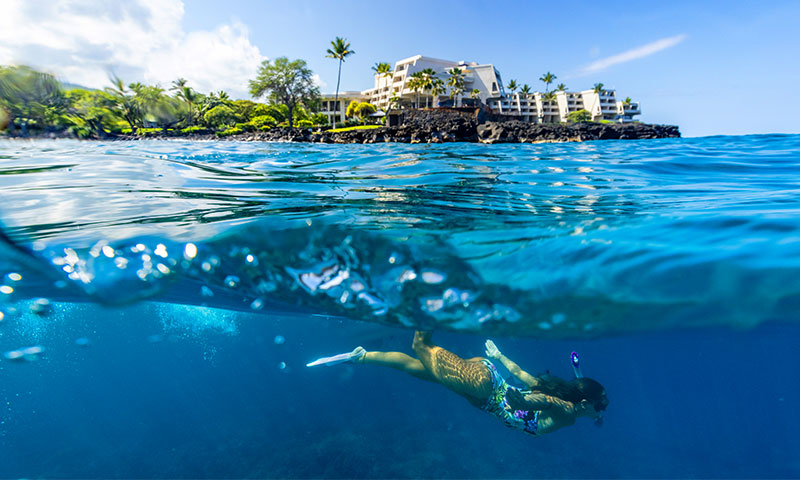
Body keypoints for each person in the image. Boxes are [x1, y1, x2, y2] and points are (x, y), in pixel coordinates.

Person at [308, 331, 609, 436]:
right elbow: (545, 401)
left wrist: (499, 356)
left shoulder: (567, 399)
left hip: (486, 380)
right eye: (599, 407)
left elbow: (524, 375)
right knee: (421, 346)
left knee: (419, 368)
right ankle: (426, 295)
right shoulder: (569, 413)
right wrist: (523, 402)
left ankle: (360, 357)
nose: (600, 413)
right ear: (585, 403)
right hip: (484, 388)